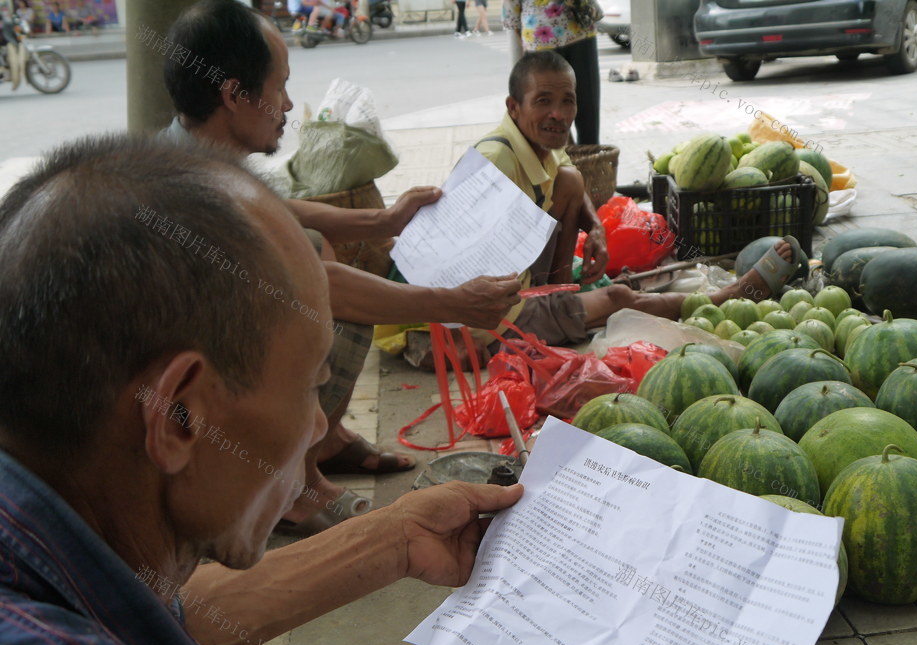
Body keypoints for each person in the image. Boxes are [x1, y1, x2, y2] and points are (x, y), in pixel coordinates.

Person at [0, 132, 799, 645]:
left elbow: (163, 617)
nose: (321, 428)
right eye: (311, 388)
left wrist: (392, 538)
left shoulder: (54, 525)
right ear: (181, 417)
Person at [163, 0, 522, 536]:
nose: (287, 105)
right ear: (234, 95)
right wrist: (453, 303)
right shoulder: (197, 197)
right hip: (184, 408)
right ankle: (289, 484)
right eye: (279, 87)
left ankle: (321, 441)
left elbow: (278, 209)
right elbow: (317, 286)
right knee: (327, 306)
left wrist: (385, 219)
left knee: (312, 245)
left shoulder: (190, 147)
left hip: (200, 359)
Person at [474, 51, 799, 347]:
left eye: (567, 101)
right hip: (497, 315)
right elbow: (460, 267)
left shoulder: (536, 143)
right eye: (543, 101)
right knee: (618, 297)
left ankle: (563, 298)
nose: (558, 114)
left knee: (570, 180)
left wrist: (596, 230)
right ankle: (727, 297)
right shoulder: (495, 163)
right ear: (513, 107)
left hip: (520, 281)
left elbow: (571, 182)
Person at [503, 0, 600, 144]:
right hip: (542, 37)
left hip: (578, 31)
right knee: (549, 112)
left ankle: (588, 160)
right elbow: (512, 14)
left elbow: (511, 15)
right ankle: (559, 160)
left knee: (586, 110)